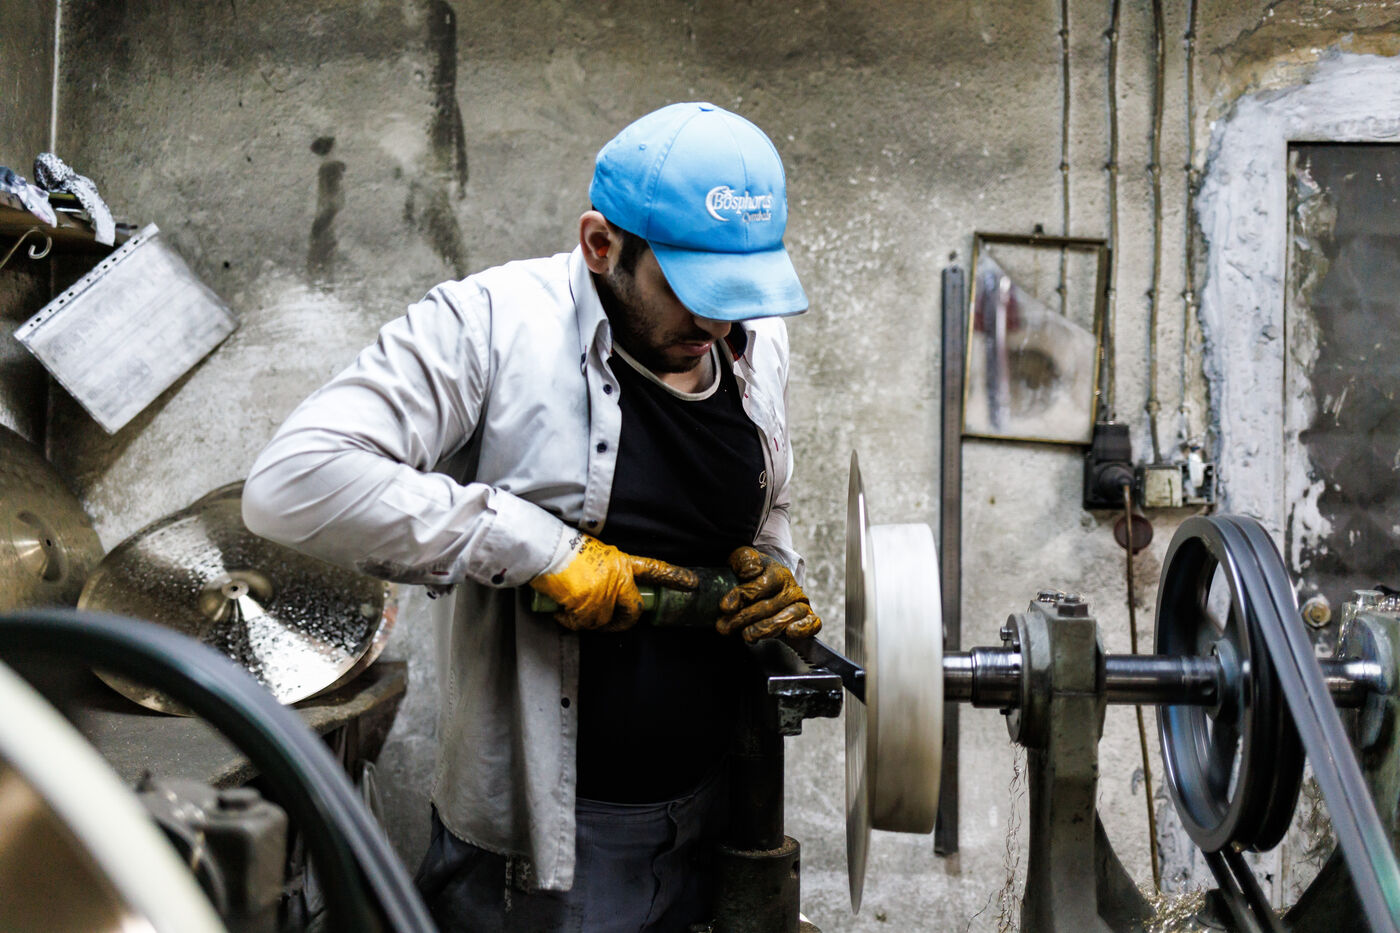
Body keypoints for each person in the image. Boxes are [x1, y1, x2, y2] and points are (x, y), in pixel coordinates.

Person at [242, 101, 821, 931]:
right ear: (601, 244)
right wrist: (542, 548)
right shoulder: (490, 324)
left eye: (737, 293)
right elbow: (292, 480)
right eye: (690, 290)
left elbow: (768, 506)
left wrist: (775, 567)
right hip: (550, 849)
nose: (716, 322)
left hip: (718, 809)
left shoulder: (754, 339)